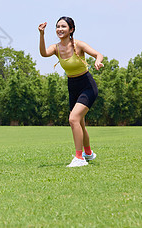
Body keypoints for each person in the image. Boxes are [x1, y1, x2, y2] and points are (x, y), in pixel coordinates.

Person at [38, 16, 104, 167]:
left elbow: (98, 54)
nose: (59, 29)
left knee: (73, 118)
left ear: (71, 29)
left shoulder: (79, 45)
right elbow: (43, 53)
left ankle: (79, 158)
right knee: (79, 123)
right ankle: (88, 153)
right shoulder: (56, 48)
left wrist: (98, 61)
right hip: (72, 86)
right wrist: (41, 34)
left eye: (63, 27)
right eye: (57, 27)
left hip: (87, 85)